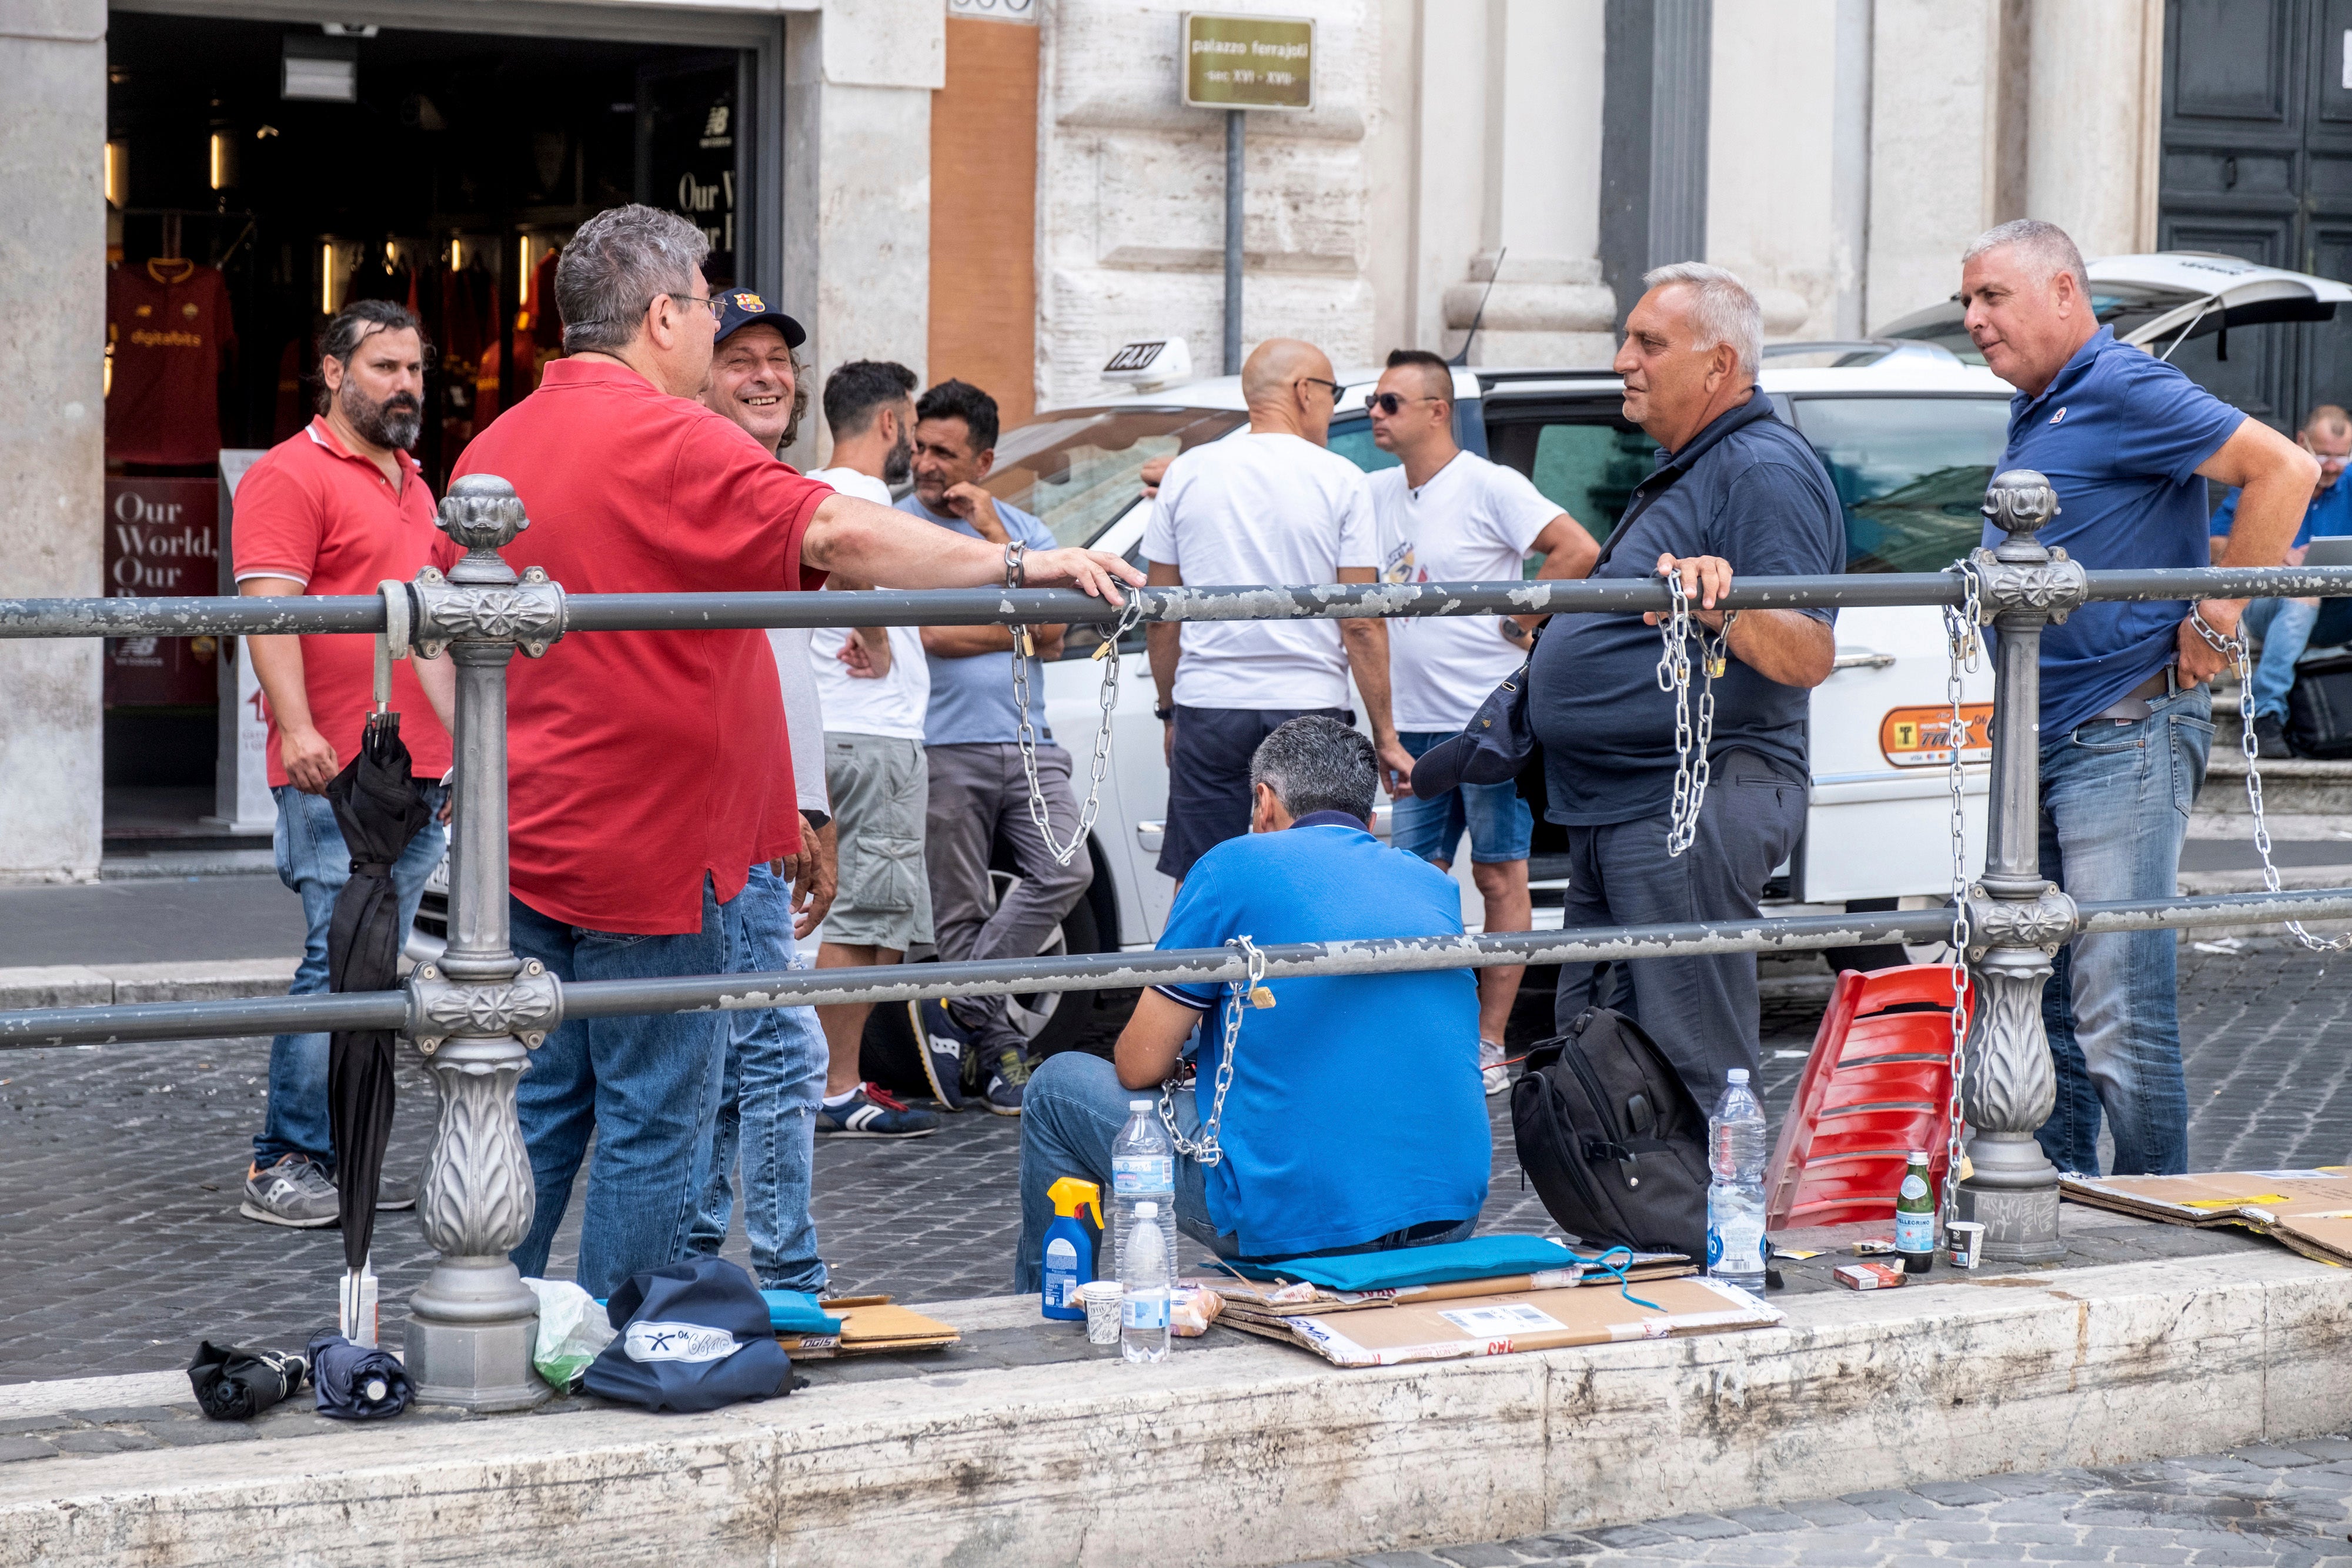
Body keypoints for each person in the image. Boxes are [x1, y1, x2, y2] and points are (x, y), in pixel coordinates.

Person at [442, 205, 1140, 1296]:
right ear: (663, 314)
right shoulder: (671, 434)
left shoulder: (498, 443)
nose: (717, 322)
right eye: (709, 301)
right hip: (659, 847)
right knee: (656, 1114)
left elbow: (447, 632)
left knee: (550, 1096)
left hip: (534, 831)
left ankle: (488, 1309)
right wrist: (1022, 568)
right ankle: (631, 1336)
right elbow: (836, 531)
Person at [1958, 219, 2316, 1178]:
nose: (1974, 318)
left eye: (1994, 296)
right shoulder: (2040, 403)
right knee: (2043, 998)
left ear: (2066, 295)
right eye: (1969, 300)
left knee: (2119, 1009)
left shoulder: (2120, 382)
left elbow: (2285, 468)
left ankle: (2162, 1229)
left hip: (2122, 727)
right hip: (2050, 733)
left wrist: (2218, 615)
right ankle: (2063, 1205)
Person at [1014, 716, 1489, 1288]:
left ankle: (1048, 1305)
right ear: (1366, 814)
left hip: (1301, 1223)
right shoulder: (1429, 882)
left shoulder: (1230, 866)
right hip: (1448, 1217)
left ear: (1264, 801)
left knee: (1054, 1089)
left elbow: (1138, 1065)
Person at [1526, 263, 1843, 1116]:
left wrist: (1722, 603)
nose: (1623, 359)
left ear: (1719, 364)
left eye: (1649, 343)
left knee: (1690, 1052)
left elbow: (1809, 650)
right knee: (1602, 1049)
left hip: (1691, 800)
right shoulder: (1695, 463)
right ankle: (1633, 1235)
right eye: (1628, 338)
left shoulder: (1761, 469)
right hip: (1624, 800)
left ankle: (1725, 1243)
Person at [229, 300, 455, 1227]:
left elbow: (433, 626)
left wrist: (475, 743)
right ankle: (283, 1158)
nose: (405, 386)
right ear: (332, 371)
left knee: (372, 961)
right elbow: (266, 614)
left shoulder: (416, 481)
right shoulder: (290, 473)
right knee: (338, 957)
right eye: (384, 368)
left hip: (418, 766)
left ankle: (342, 1154)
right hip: (337, 766)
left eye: (414, 370)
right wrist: (298, 731)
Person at [1368, 347, 1600, 1091]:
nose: (1375, 413)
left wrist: (1522, 614)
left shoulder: (1488, 485)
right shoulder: (1373, 492)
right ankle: (1423, 1036)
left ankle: (1489, 1044)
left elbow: (1578, 549)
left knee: (1501, 877)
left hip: (1485, 725)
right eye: (1373, 402)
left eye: (1390, 402)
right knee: (1411, 884)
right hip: (1413, 727)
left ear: (1437, 410)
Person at [681, 289, 841, 1292]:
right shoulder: (707, 486)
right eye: (739, 357)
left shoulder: (766, 487)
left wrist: (810, 803)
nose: (767, 375)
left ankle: (696, 1261)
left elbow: (785, 672)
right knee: (778, 1041)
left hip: (766, 809)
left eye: (779, 358)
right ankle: (787, 1273)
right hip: (721, 815)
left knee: (735, 1050)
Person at [1143, 339, 1412, 888]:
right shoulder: (1340, 478)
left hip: (1211, 703)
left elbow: (1160, 612)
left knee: (1202, 880)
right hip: (1308, 705)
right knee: (1311, 878)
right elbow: (1360, 619)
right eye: (1334, 394)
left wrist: (1171, 710)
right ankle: (1294, 979)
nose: (1335, 410)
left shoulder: (1188, 472)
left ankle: (1186, 978)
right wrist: (1385, 735)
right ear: (1303, 392)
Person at [899, 377, 1093, 1118]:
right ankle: (1003, 1055)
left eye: (943, 453)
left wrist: (989, 534)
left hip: (1029, 741)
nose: (925, 464)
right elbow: (932, 634)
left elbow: (1053, 631)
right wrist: (1014, 626)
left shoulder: (1023, 533)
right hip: (944, 745)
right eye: (919, 446)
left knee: (1065, 869)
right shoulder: (900, 529)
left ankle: (958, 995)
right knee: (960, 911)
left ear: (982, 461)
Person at [803, 360, 942, 1138]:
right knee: (863, 918)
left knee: (853, 916)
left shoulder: (811, 488)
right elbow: (856, 575)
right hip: (871, 727)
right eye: (912, 427)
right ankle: (836, 1085)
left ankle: (830, 1079)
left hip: (839, 725)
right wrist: (877, 632)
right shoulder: (861, 499)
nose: (915, 447)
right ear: (889, 421)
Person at [2209, 403, 2352, 757]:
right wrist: (2277, 553)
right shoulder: (2270, 476)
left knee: (2310, 592)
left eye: (2343, 457)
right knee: (2303, 592)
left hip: (2338, 615)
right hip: (2268, 610)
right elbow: (2213, 546)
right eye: (2323, 455)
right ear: (2301, 441)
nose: (2332, 467)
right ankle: (2266, 713)